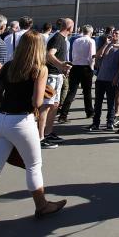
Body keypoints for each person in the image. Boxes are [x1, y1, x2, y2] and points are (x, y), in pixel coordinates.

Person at [0, 30, 66, 237]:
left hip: (1, 120)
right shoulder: (40, 69)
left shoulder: (9, 66)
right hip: (22, 121)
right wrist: (46, 92)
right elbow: (37, 102)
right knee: (34, 166)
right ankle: (42, 205)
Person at [41, 18, 73, 147]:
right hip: (51, 76)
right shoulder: (58, 38)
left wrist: (63, 68)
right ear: (70, 27)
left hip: (57, 76)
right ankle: (41, 136)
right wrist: (61, 65)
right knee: (46, 106)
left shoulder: (62, 39)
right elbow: (49, 54)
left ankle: (48, 132)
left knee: (54, 104)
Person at [88, 29, 119, 131]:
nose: (114, 35)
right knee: (98, 102)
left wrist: (116, 77)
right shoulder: (106, 45)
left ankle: (110, 122)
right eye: (113, 33)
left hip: (111, 79)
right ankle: (95, 123)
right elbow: (98, 56)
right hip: (101, 78)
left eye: (116, 33)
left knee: (111, 103)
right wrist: (106, 44)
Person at [59, 25, 95, 122]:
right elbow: (92, 56)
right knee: (87, 91)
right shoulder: (91, 41)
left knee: (72, 91)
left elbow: (73, 53)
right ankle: (89, 111)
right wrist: (92, 67)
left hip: (75, 66)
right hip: (86, 67)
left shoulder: (76, 40)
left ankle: (63, 114)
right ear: (91, 32)